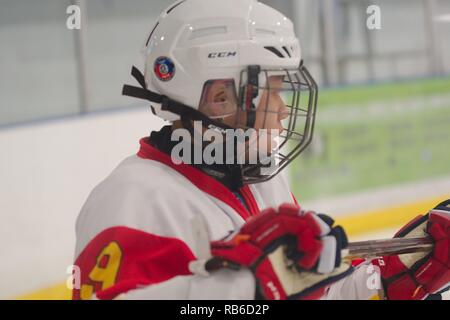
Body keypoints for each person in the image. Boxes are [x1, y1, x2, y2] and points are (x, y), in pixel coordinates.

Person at [72, 0, 449, 300]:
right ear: (219, 98)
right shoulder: (132, 200)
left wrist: (395, 273)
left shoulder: (259, 179)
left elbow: (315, 294)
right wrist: (245, 289)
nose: (284, 109)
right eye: (272, 90)